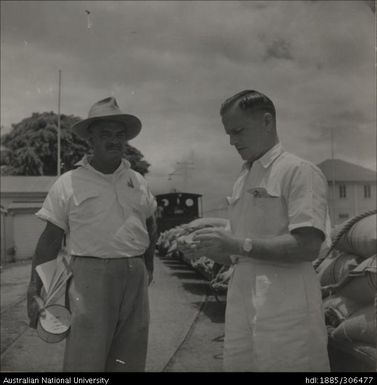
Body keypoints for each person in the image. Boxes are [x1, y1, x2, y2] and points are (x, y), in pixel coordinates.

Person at [182, 90, 330, 372]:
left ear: (267, 121)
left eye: (238, 131)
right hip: (241, 303)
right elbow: (237, 253)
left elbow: (309, 246)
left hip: (286, 306)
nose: (232, 141)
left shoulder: (299, 171)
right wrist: (211, 248)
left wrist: (238, 245)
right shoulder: (244, 178)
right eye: (228, 134)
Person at [27, 96, 157, 372]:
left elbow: (151, 223)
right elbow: (50, 240)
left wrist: (148, 266)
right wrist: (33, 291)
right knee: (85, 360)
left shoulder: (138, 181)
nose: (115, 141)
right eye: (105, 134)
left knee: (130, 358)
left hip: (134, 276)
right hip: (89, 278)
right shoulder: (68, 183)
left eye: (120, 135)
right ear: (91, 139)